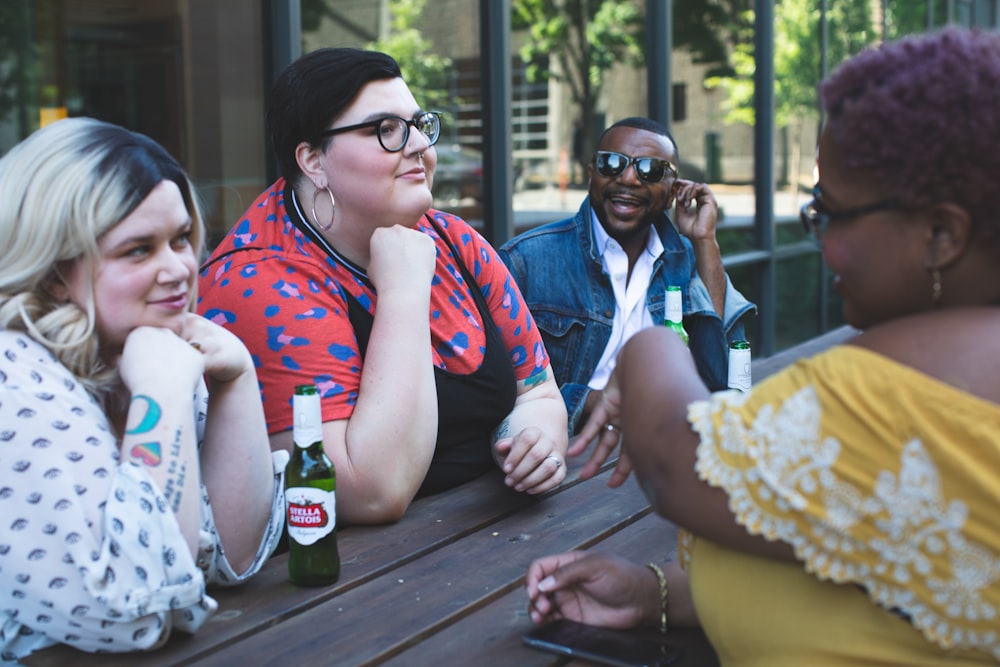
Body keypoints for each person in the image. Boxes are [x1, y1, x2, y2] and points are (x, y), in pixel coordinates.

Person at [526, 27, 1000, 665]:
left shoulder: (882, 396)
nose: (818, 241)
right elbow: (884, 569)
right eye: (612, 164)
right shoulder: (532, 257)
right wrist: (657, 595)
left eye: (828, 212)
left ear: (941, 234)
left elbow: (674, 460)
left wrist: (646, 354)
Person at [198, 48, 567, 525]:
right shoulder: (257, 282)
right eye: (386, 130)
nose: (418, 145)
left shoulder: (454, 240)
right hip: (347, 584)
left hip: (488, 543)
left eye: (419, 125)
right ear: (313, 160)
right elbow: (370, 492)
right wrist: (403, 293)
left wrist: (535, 441)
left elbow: (538, 391)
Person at [0, 117, 286, 662]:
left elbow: (231, 558)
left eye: (181, 239)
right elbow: (140, 613)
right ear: (55, 270)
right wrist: (162, 396)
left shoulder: (143, 345)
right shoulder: (13, 373)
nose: (178, 268)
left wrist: (237, 380)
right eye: (138, 250)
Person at [499, 117, 754, 434]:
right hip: (566, 448)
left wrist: (704, 241)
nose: (629, 178)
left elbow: (716, 372)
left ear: (674, 190)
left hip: (660, 442)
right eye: (611, 164)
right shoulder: (525, 259)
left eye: (650, 170)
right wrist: (592, 402)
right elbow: (497, 387)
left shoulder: (683, 259)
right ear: (592, 175)